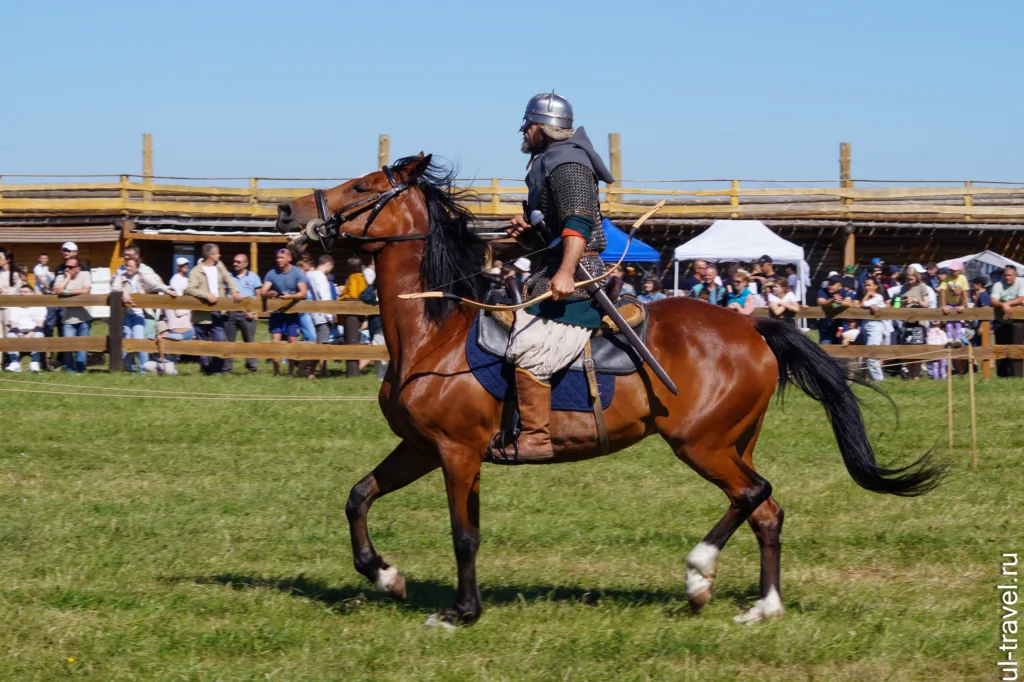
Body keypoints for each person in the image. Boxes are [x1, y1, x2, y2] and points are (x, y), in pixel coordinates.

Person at [495, 92, 615, 462]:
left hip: (578, 279)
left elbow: (578, 221)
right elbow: (556, 229)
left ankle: (536, 436)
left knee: (529, 350)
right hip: (555, 269)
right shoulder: (550, 160)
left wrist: (564, 273)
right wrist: (531, 234)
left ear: (540, 128)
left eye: (528, 126)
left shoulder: (567, 162)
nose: (524, 132)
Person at [184, 243, 241, 376]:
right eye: (217, 253)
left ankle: (217, 370)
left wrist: (235, 292)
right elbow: (189, 289)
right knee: (202, 342)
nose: (219, 255)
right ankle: (205, 368)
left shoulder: (219, 266)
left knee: (219, 339)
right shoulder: (196, 271)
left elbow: (228, 279)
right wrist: (206, 296)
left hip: (218, 311)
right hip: (201, 312)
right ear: (211, 256)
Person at [119, 256, 177, 373]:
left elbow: (155, 284)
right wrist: (124, 292)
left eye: (131, 266)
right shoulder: (122, 277)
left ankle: (142, 369)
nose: (128, 268)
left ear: (136, 268)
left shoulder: (141, 277)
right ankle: (128, 367)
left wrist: (167, 290)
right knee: (127, 340)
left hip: (139, 314)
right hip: (127, 314)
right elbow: (115, 286)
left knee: (139, 340)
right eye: (127, 265)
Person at [259, 248, 307, 375]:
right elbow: (262, 291)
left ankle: (291, 371)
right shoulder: (272, 273)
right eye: (277, 258)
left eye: (282, 258)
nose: (279, 260)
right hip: (277, 312)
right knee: (275, 342)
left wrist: (290, 297)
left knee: (292, 341)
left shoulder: (297, 272)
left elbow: (303, 293)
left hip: (292, 311)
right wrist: (268, 293)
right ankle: (276, 372)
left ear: (289, 258)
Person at [52, 257, 92, 373]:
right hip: (68, 318)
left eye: (71, 267)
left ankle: (80, 369)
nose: (67, 269)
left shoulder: (85, 274)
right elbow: (55, 290)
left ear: (78, 268)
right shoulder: (61, 276)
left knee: (82, 346)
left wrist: (66, 292)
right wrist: (67, 278)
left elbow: (85, 291)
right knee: (68, 346)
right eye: (66, 266)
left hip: (84, 316)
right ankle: (70, 369)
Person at [224, 253, 262, 374]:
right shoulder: (229, 277)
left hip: (247, 314)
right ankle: (226, 368)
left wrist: (255, 312)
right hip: (231, 313)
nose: (235, 264)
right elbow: (224, 292)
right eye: (234, 261)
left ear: (245, 264)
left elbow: (258, 295)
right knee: (228, 342)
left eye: (238, 262)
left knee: (249, 341)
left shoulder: (254, 277)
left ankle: (252, 368)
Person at [303, 254, 336, 379]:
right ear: (328, 264)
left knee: (323, 342)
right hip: (323, 314)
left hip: (315, 313)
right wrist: (330, 315)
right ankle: (311, 371)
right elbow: (324, 296)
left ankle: (323, 370)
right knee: (322, 344)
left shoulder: (310, 275)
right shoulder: (320, 277)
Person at [899, 267, 932, 380]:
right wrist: (902, 303)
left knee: (918, 349)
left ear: (916, 277)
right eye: (908, 279)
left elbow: (926, 304)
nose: (909, 281)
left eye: (911, 279)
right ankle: (910, 373)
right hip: (907, 321)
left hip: (919, 322)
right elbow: (900, 303)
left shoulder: (922, 287)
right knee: (908, 349)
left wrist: (915, 300)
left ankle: (916, 375)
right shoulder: (904, 287)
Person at [991, 265, 1024, 377]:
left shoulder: (1021, 282)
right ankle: (1002, 374)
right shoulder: (998, 285)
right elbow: (994, 300)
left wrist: (1007, 304)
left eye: (1010, 275)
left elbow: (1021, 298)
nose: (1007, 278)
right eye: (1005, 275)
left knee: (1016, 343)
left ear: (1015, 275)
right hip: (1001, 318)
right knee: (1001, 344)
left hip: (1018, 318)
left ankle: (1017, 374)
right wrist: (1003, 305)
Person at [5, 284, 46, 372]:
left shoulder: (39, 306)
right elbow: (13, 323)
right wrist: (19, 334)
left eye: (25, 292)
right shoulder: (15, 306)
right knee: (10, 336)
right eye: (21, 292)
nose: (22, 294)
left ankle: (34, 363)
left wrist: (30, 334)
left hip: (34, 331)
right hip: (18, 331)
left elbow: (40, 324)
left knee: (39, 336)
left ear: (32, 293)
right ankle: (14, 363)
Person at [857, 277, 887, 382]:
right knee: (864, 355)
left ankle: (879, 380)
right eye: (865, 285)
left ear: (875, 286)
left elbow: (862, 304)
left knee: (871, 356)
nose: (867, 287)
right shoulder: (868, 297)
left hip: (875, 328)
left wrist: (866, 296)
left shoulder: (878, 297)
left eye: (869, 285)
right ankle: (868, 377)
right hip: (866, 327)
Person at [816, 275, 854, 345]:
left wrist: (840, 303)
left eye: (832, 284)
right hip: (826, 328)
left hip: (840, 328)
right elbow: (822, 302)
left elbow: (849, 303)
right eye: (829, 283)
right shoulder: (822, 291)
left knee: (840, 352)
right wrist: (832, 300)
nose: (829, 286)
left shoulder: (843, 292)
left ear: (840, 286)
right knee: (826, 351)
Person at [939, 260, 969, 348]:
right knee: (949, 320)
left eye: (954, 270)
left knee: (957, 321)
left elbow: (964, 292)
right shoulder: (947, 279)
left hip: (958, 303)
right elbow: (943, 291)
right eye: (951, 270)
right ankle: (949, 338)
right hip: (949, 303)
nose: (952, 272)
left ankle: (958, 338)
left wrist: (964, 305)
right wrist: (944, 305)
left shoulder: (962, 278)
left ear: (959, 270)